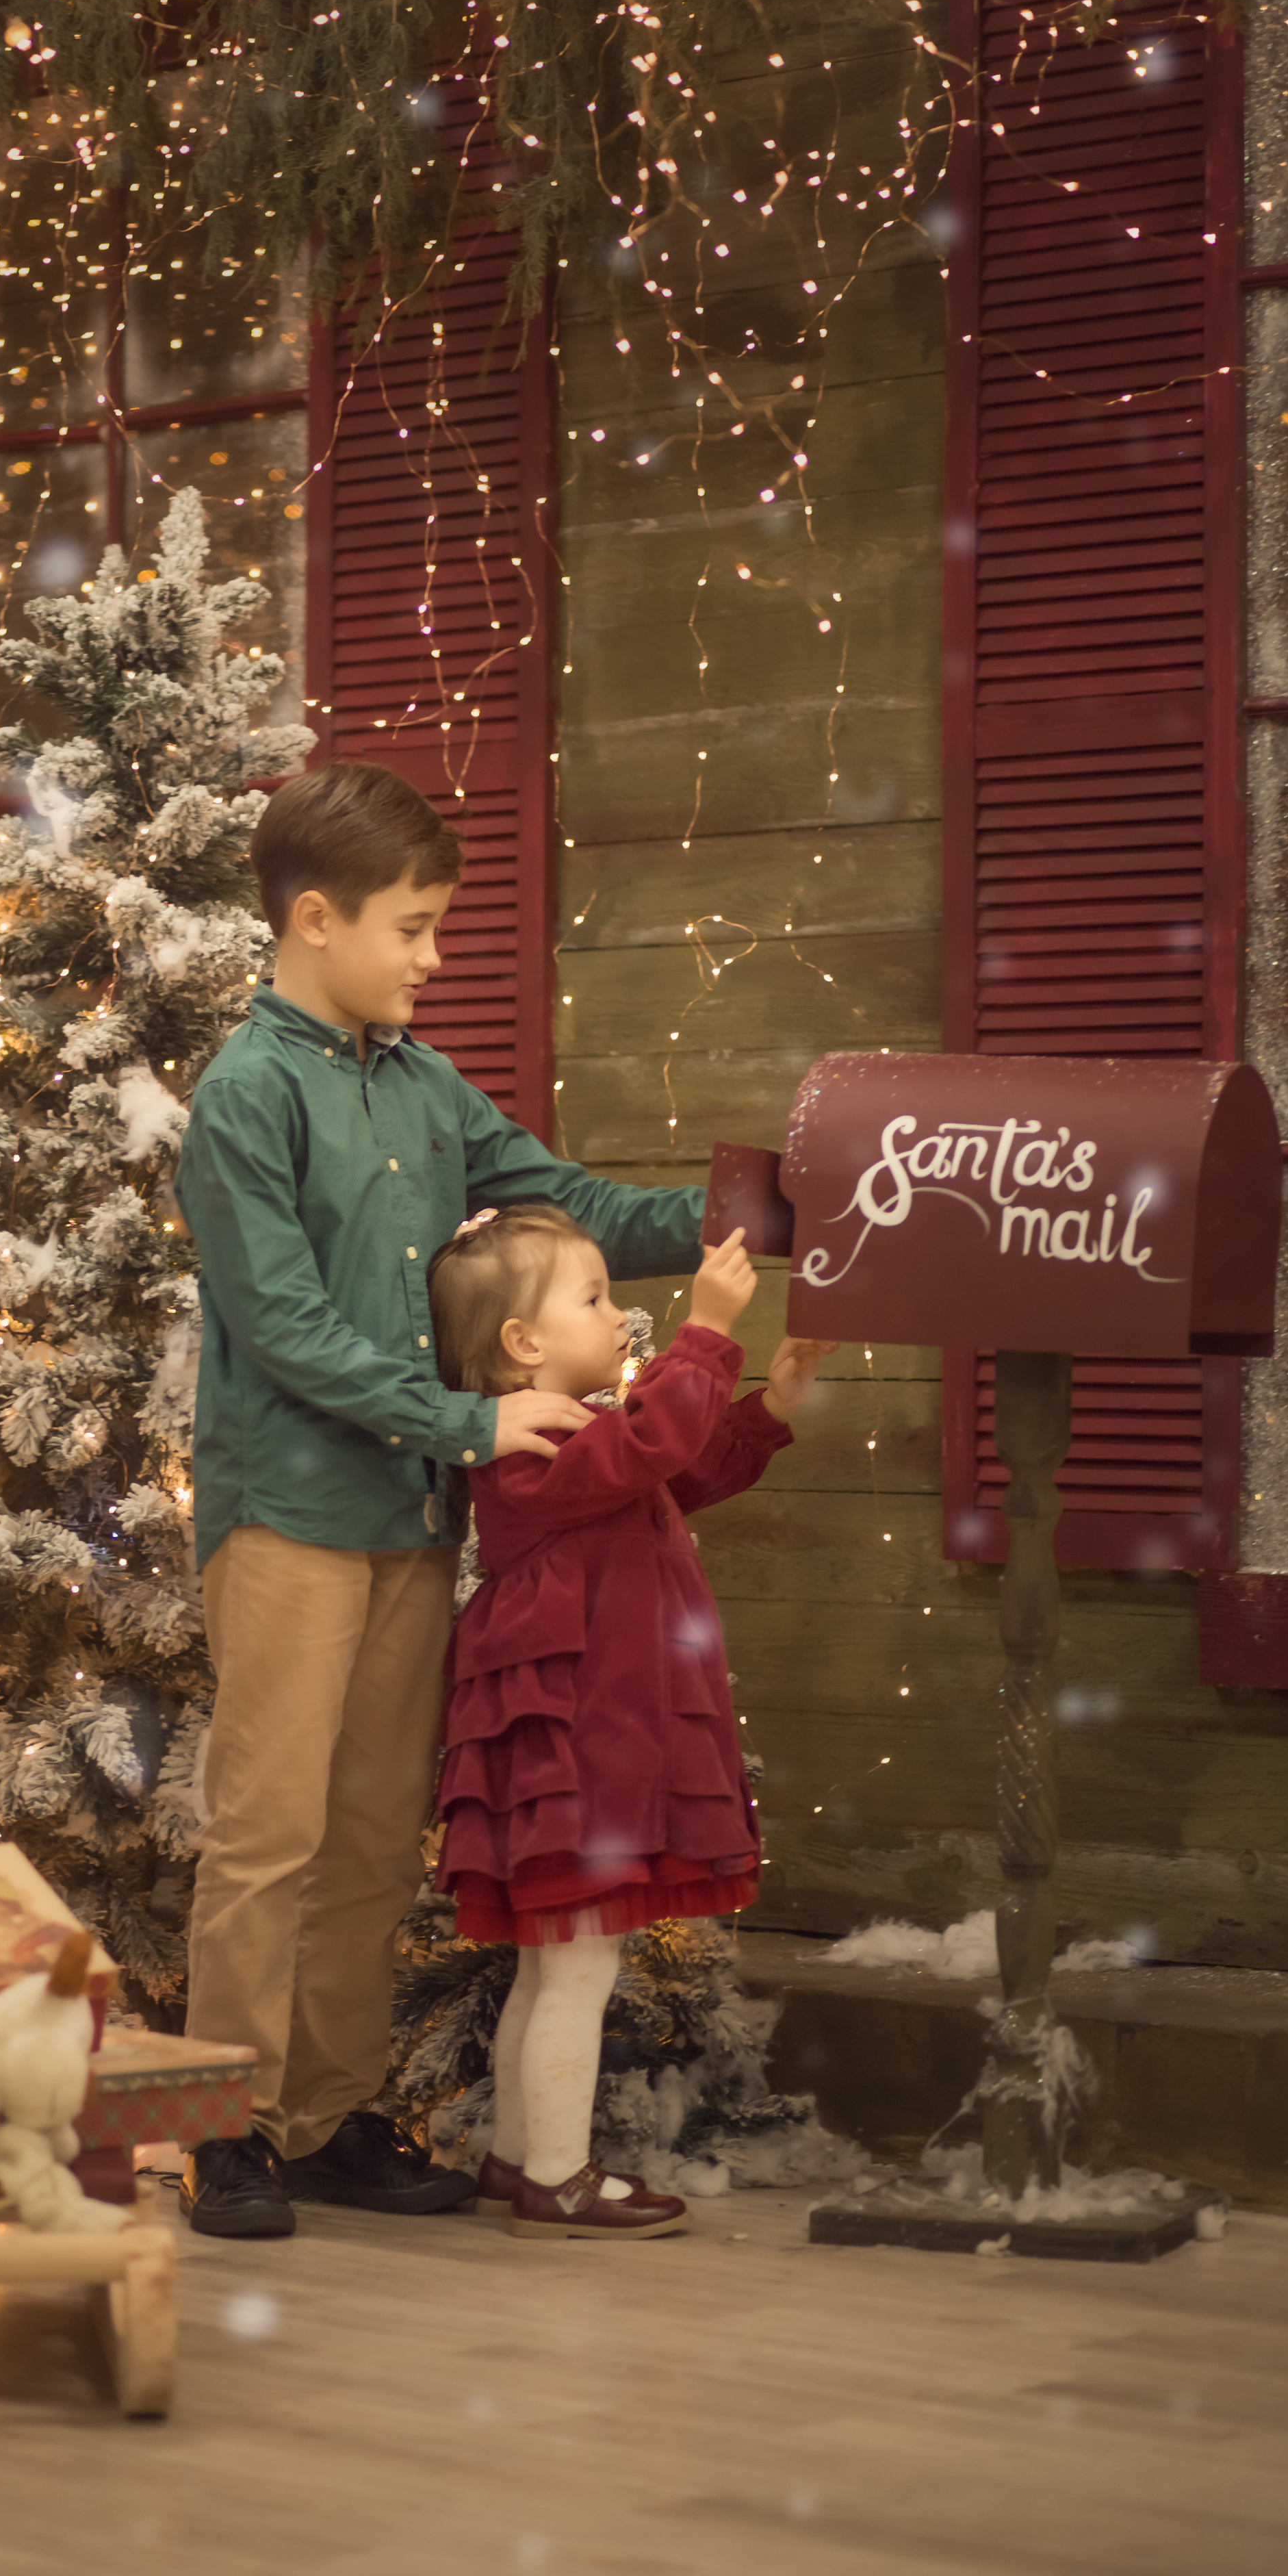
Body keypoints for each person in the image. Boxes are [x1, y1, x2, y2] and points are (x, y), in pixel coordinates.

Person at [170, 761, 711, 2238]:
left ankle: (322, 2116)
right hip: (287, 1515)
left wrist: (743, 1209)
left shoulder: (421, 1084)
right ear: (313, 920)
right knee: (267, 1832)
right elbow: (282, 1327)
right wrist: (470, 1420)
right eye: (408, 928)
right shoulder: (243, 1096)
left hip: (412, 1520)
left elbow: (578, 1210)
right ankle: (225, 2126)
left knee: (363, 1837)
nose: (429, 956)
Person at [425, 1201, 834, 2241]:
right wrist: (704, 1332)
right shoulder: (523, 1446)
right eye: (595, 1298)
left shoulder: (584, 1427)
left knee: (554, 1959)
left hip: (597, 1724)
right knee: (577, 1961)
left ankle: (519, 2160)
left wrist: (767, 1409)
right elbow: (647, 1450)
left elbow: (678, 1465)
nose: (619, 1317)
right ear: (521, 1345)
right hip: (573, 1731)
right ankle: (558, 2176)